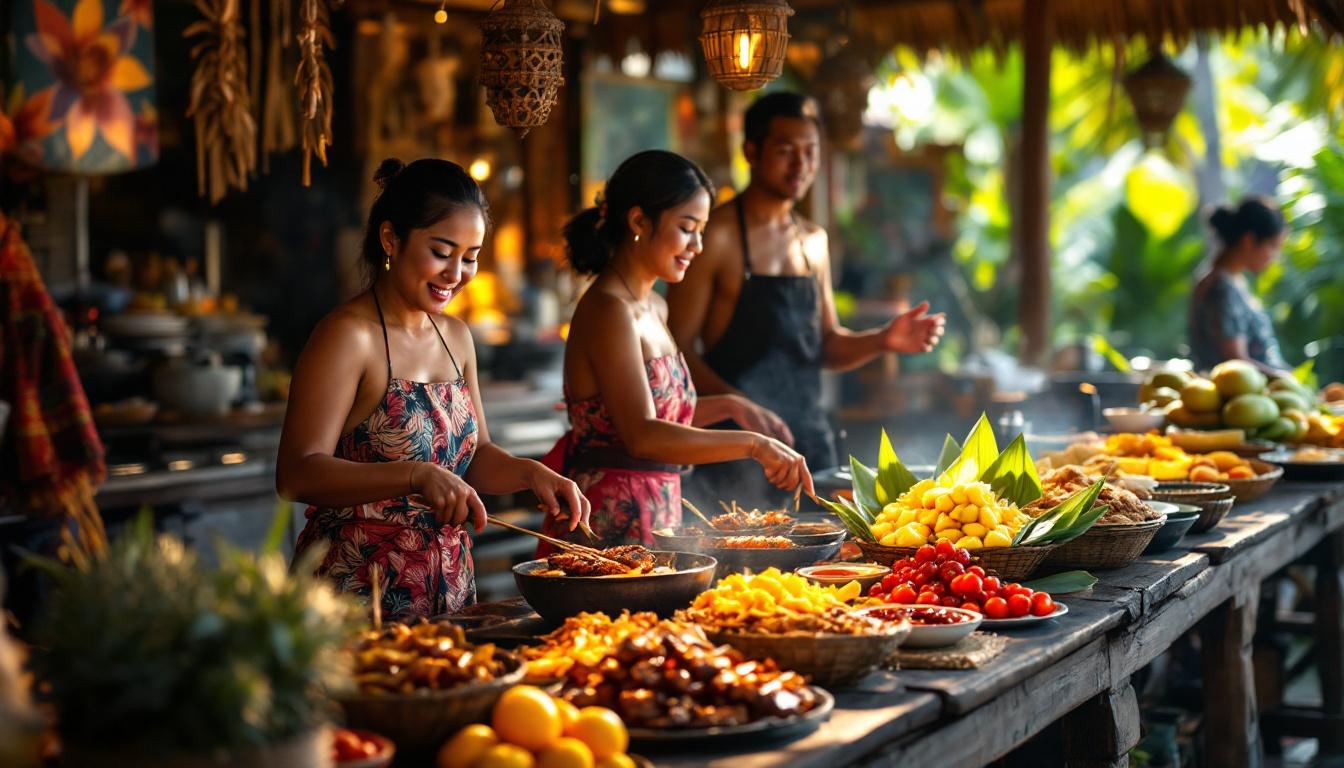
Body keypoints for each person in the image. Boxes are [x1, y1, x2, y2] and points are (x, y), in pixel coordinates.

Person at [277, 158, 590, 620]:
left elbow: (476, 455)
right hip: (359, 590)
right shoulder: (348, 336)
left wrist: (531, 472)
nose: (456, 273)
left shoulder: (456, 337)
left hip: (448, 585)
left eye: (470, 257)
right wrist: (414, 474)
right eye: (442, 252)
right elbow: (297, 474)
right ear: (391, 239)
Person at [667, 92, 945, 506]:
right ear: (751, 152)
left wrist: (884, 339)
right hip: (736, 454)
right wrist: (741, 409)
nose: (801, 165)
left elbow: (826, 345)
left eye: (810, 152)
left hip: (810, 445)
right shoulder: (717, 235)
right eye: (785, 151)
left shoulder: (814, 241)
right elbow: (678, 350)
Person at [540, 149, 814, 551]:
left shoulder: (654, 305)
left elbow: (661, 413)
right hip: (610, 519)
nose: (698, 246)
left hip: (661, 505)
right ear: (638, 221)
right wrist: (754, 445)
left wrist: (731, 407)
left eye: (701, 230)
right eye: (688, 228)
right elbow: (642, 435)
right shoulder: (608, 309)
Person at [1189, 196, 1289, 375]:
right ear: (1249, 240)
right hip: (1239, 396)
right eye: (1273, 246)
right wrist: (1287, 380)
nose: (1275, 257)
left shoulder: (1231, 280)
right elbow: (1235, 360)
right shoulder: (1221, 289)